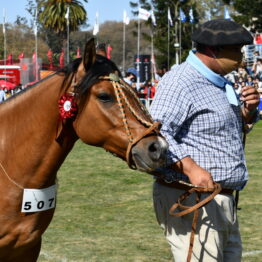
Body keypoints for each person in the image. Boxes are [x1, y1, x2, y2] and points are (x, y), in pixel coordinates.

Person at [150, 19, 260, 262]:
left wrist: (248, 112)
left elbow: (223, 131)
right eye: (236, 50)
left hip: (222, 200)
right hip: (193, 199)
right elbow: (154, 135)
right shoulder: (180, 80)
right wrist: (189, 167)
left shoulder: (222, 82)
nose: (241, 57)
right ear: (213, 50)